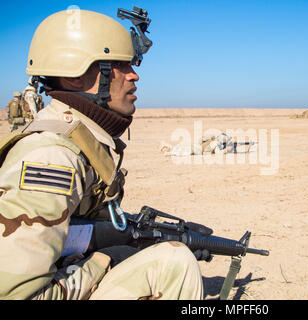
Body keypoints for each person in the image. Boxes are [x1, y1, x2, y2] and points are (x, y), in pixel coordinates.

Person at [0, 8, 203, 300]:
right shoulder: (52, 157)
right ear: (74, 78)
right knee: (173, 263)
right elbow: (19, 295)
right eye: (120, 65)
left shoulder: (81, 139)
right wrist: (104, 260)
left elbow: (74, 226)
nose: (134, 75)